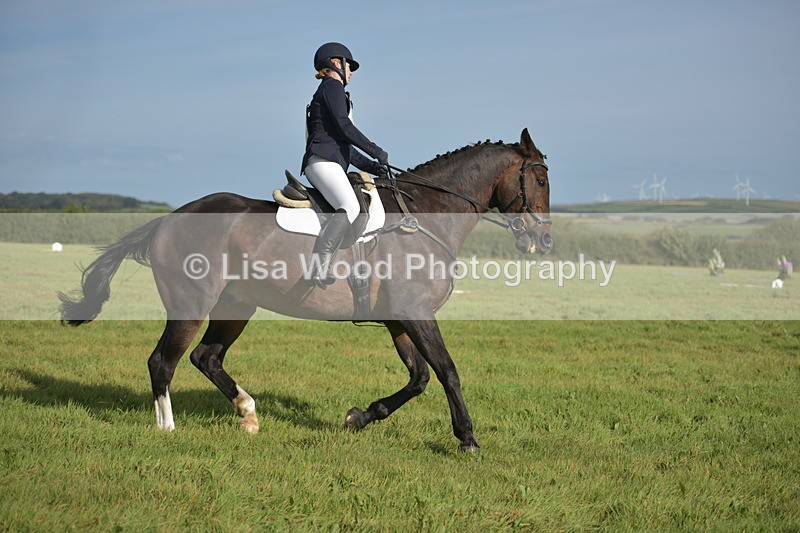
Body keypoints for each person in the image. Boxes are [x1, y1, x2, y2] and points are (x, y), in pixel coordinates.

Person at [301, 42, 389, 288]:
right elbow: (345, 127)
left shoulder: (332, 91)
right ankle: (320, 266)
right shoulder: (332, 87)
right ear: (336, 63)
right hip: (322, 161)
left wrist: (374, 166)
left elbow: (346, 148)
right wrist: (375, 149)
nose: (351, 72)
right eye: (349, 66)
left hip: (329, 161)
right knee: (349, 205)